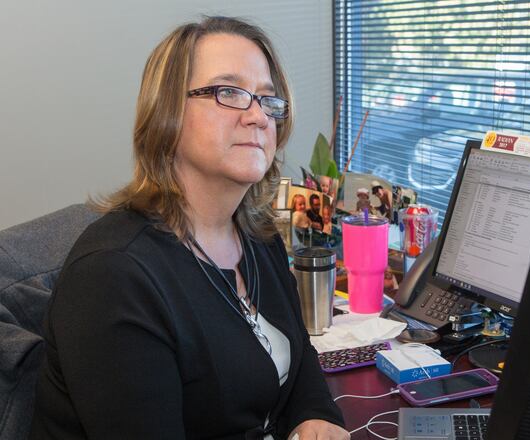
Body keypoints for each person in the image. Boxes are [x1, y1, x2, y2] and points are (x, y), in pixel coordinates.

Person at [30, 16, 348, 440]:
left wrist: (316, 414)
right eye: (229, 92)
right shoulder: (111, 275)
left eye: (267, 100)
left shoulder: (259, 237)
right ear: (168, 114)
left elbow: (299, 354)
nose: (257, 116)